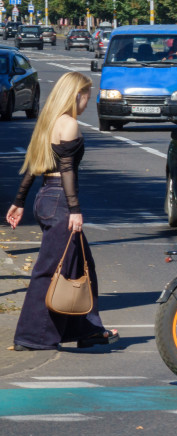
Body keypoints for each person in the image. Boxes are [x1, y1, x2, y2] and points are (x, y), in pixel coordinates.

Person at [6, 72, 118, 351]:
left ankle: (88, 329)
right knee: (50, 270)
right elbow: (66, 170)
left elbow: (34, 163)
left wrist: (19, 201)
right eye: (86, 97)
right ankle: (31, 336)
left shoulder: (48, 121)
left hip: (47, 197)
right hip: (59, 201)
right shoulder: (68, 124)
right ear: (76, 95)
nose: (86, 103)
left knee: (81, 266)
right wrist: (75, 210)